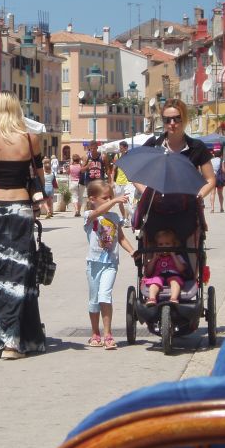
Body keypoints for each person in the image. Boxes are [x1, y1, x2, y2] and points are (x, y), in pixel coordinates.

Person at [0, 90, 47, 359]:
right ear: (17, 109)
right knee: (18, 272)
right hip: (20, 207)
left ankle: (1, 334)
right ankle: (12, 343)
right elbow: (40, 179)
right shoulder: (30, 139)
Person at [83, 180, 135, 349]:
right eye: (105, 198)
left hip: (110, 263)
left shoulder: (114, 218)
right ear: (92, 199)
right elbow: (98, 211)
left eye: (110, 197)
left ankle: (108, 334)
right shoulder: (90, 215)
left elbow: (121, 238)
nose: (109, 200)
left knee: (105, 295)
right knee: (94, 300)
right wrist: (114, 201)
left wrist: (132, 251)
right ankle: (95, 333)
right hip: (94, 264)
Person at [142, 98, 215, 200]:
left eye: (177, 118)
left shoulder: (197, 147)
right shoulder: (153, 145)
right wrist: (148, 195)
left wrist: (198, 196)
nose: (172, 123)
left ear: (184, 118)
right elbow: (136, 173)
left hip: (187, 205)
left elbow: (210, 179)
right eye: (167, 120)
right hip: (157, 205)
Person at [142, 230, 187, 307]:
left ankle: (173, 298)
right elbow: (148, 272)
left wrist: (173, 255)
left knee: (175, 281)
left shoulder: (178, 256)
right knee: (154, 282)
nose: (164, 247)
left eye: (167, 244)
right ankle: (152, 298)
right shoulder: (156, 257)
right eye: (160, 244)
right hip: (159, 275)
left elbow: (181, 269)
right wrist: (154, 259)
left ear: (173, 245)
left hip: (174, 275)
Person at [110, 141, 135, 227]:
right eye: (119, 148)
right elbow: (113, 170)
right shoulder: (117, 156)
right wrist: (112, 181)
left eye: (121, 148)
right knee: (120, 202)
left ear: (126, 148)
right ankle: (124, 217)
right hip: (118, 181)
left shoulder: (130, 156)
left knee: (126, 201)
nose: (120, 149)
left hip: (128, 182)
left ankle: (126, 219)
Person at [209, 149, 225, 213]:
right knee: (220, 193)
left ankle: (212, 208)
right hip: (219, 178)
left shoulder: (211, 160)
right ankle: (221, 207)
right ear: (221, 155)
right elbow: (223, 170)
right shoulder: (222, 161)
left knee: (212, 193)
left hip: (212, 178)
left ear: (214, 155)